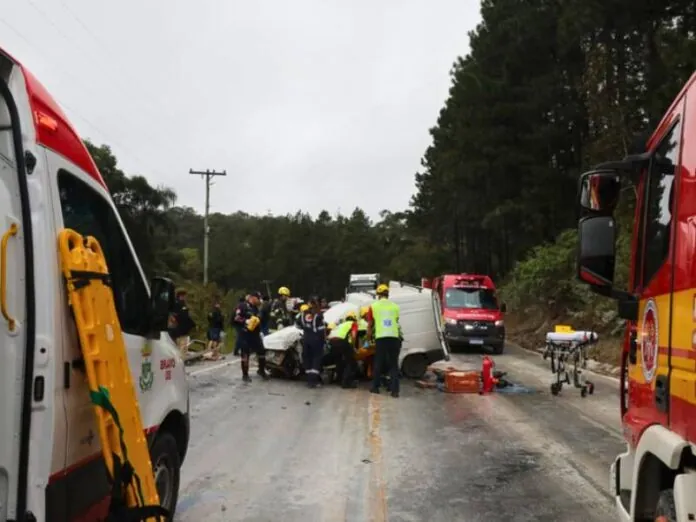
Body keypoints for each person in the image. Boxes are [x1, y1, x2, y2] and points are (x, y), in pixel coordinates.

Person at [367, 284, 403, 398]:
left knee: (378, 362)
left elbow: (370, 325)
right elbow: (396, 320)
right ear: (387, 294)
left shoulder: (373, 307)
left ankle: (375, 387)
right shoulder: (396, 307)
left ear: (378, 295)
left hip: (381, 338)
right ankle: (395, 391)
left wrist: (368, 339)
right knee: (394, 364)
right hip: (394, 337)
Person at [233, 292, 268, 383]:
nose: (259, 300)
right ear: (252, 298)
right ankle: (245, 375)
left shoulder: (255, 308)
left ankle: (261, 370)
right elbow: (236, 318)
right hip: (245, 334)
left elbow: (258, 319)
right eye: (258, 298)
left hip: (255, 334)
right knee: (245, 354)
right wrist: (245, 321)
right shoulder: (242, 306)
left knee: (262, 351)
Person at [297, 297, 326, 388]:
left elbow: (297, 325)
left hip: (306, 339)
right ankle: (313, 381)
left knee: (307, 359)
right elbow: (322, 330)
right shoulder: (318, 315)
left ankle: (309, 380)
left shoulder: (302, 314)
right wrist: (323, 342)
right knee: (316, 359)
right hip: (316, 340)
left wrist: (307, 328)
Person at [328, 311, 359, 388]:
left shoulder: (341, 324)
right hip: (342, 342)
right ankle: (346, 382)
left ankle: (339, 380)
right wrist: (353, 346)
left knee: (339, 361)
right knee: (350, 362)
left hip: (332, 342)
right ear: (354, 319)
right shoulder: (353, 324)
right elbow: (354, 336)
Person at [168, 289, 195, 357]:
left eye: (184, 296)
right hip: (179, 328)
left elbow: (186, 316)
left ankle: (179, 357)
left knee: (181, 344)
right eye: (183, 296)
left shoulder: (182, 304)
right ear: (180, 296)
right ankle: (181, 359)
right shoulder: (177, 304)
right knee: (182, 345)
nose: (184, 297)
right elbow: (176, 316)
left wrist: (191, 324)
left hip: (182, 328)